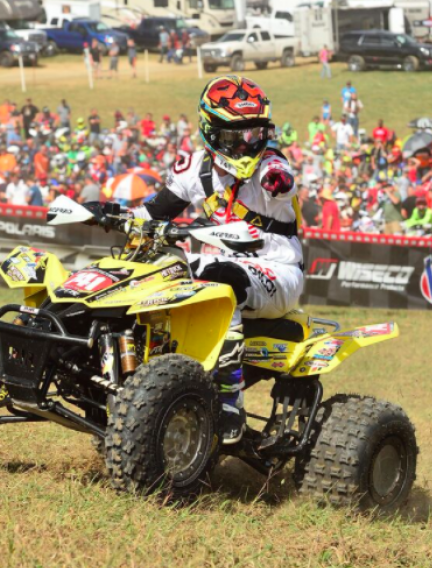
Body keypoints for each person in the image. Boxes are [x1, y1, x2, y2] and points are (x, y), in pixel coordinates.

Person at [123, 77, 304, 445]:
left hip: (275, 271)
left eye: (255, 132)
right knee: (153, 268)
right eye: (236, 135)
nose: (247, 143)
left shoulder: (271, 167)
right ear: (211, 131)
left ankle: (229, 399)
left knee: (221, 277)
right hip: (215, 268)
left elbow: (281, 180)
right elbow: (155, 212)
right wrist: (115, 215)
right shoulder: (195, 169)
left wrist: (279, 180)